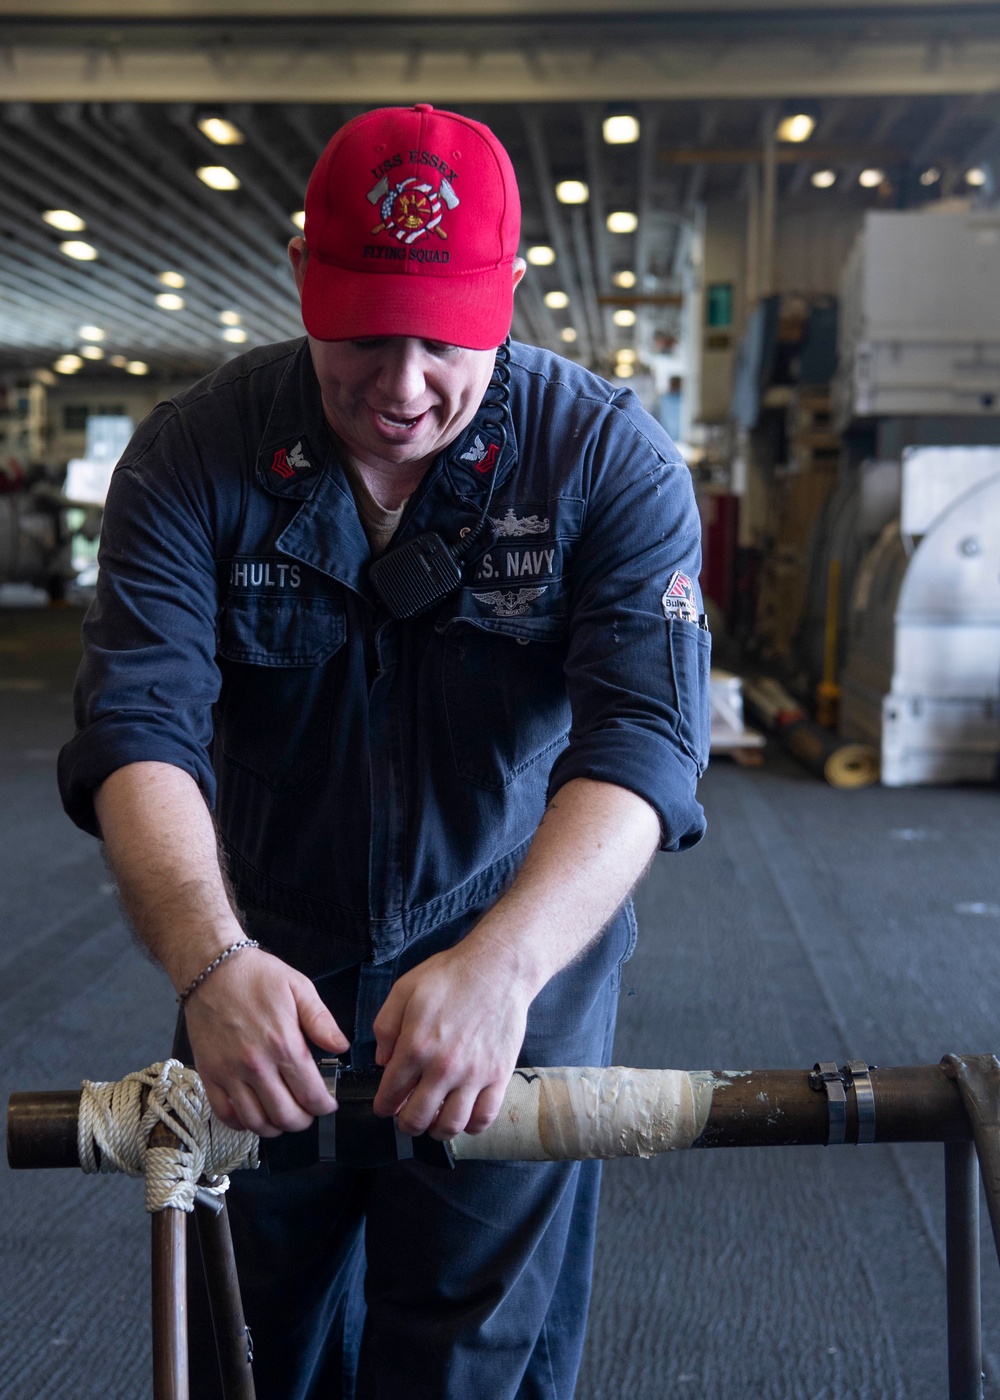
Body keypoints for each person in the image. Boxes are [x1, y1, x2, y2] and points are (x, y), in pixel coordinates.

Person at [58, 104, 710, 1399]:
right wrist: (211, 963)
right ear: (303, 276)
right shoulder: (194, 456)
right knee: (250, 1346)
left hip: (515, 953)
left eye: (447, 338)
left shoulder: (603, 458)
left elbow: (642, 744)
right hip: (262, 964)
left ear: (509, 297)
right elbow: (140, 732)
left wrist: (506, 968)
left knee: (470, 1357)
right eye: (363, 334)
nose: (403, 386)